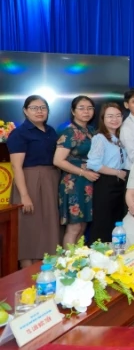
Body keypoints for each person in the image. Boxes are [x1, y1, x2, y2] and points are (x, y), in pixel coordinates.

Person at [7, 95, 60, 267]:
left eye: (43, 108)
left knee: (48, 228)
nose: (39, 111)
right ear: (25, 111)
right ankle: (27, 275)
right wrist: (24, 195)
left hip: (51, 181)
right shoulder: (19, 133)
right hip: (29, 182)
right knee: (29, 229)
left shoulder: (51, 131)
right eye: (34, 108)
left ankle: (46, 272)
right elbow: (16, 166)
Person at [54, 96, 99, 246]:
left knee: (83, 226)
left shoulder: (91, 131)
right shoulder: (69, 132)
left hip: (88, 183)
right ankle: (67, 259)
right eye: (81, 108)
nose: (86, 111)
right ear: (73, 111)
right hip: (74, 183)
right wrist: (83, 172)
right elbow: (58, 160)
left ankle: (78, 258)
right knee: (74, 227)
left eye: (90, 108)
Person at [87, 102, 128, 243]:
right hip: (106, 183)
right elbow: (93, 164)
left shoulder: (120, 138)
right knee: (103, 223)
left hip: (120, 184)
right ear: (103, 119)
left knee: (117, 223)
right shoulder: (100, 138)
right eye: (110, 116)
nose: (114, 119)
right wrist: (117, 172)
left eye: (118, 115)